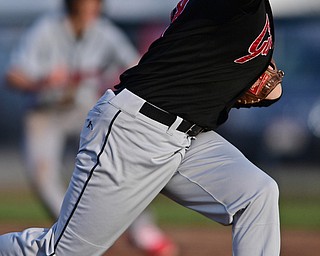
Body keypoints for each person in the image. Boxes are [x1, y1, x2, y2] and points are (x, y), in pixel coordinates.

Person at [0, 0, 282, 255]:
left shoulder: (255, 12)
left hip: (188, 135)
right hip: (137, 129)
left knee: (257, 193)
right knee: (62, 252)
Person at [4, 0, 178, 255]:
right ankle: (72, 236)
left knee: (116, 165)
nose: (90, 6)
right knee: (43, 177)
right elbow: (13, 76)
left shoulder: (104, 30)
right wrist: (41, 81)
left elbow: (134, 64)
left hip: (83, 110)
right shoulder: (47, 29)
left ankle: (142, 230)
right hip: (45, 113)